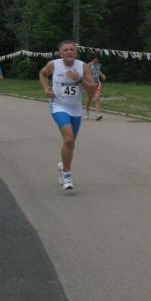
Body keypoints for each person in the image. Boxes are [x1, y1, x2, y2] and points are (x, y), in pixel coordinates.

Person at [38, 40, 96, 190]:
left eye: (72, 49)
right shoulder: (54, 65)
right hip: (58, 106)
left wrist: (79, 80)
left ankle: (62, 165)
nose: (69, 52)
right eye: (66, 50)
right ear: (61, 53)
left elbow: (92, 89)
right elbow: (42, 74)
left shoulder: (82, 66)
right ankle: (67, 174)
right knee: (69, 139)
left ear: (76, 53)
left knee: (70, 143)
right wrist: (46, 88)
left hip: (75, 109)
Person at [85, 54, 106, 120]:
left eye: (97, 59)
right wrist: (89, 74)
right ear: (93, 59)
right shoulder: (88, 65)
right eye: (95, 59)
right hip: (90, 84)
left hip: (97, 83)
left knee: (97, 98)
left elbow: (98, 71)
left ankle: (97, 114)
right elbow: (85, 73)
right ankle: (86, 112)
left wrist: (102, 75)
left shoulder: (99, 65)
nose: (96, 60)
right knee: (89, 99)